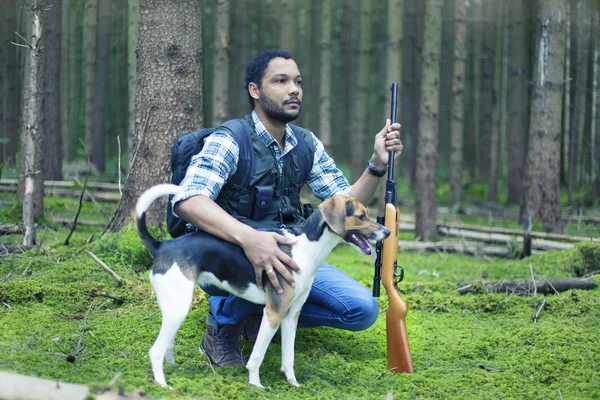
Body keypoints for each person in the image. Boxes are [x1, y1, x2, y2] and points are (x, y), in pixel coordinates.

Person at [172, 49, 403, 367]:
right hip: (228, 256)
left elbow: (345, 204)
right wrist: (249, 239)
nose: (293, 89)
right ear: (255, 90)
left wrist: (377, 163)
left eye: (298, 82)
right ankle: (222, 328)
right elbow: (188, 200)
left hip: (290, 256)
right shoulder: (230, 139)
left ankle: (263, 315)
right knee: (258, 257)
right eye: (280, 81)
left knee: (360, 310)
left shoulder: (306, 144)